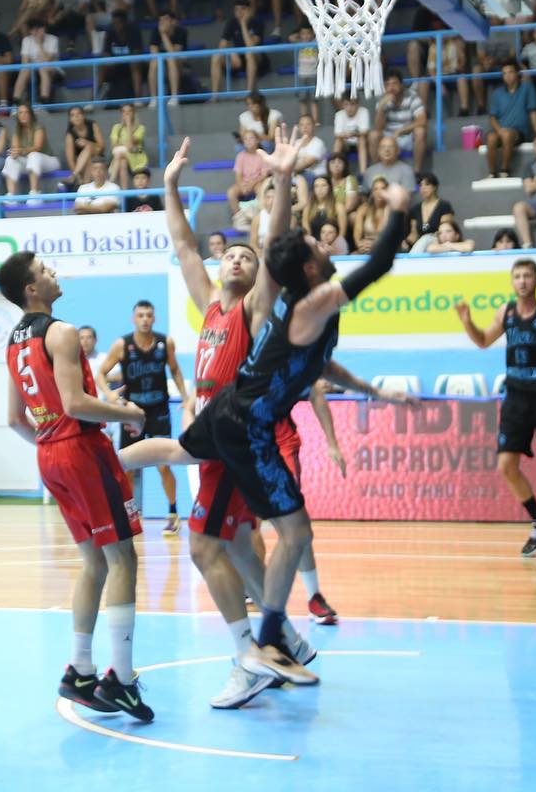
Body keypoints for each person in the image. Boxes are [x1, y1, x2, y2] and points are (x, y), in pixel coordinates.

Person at [117, 169, 415, 687]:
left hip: (233, 412)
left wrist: (374, 391)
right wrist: (400, 209)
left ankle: (276, 639)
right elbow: (376, 263)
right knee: (243, 537)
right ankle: (264, 645)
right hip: (241, 422)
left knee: (230, 529)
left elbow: (318, 361)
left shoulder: (275, 306)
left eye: (247, 257)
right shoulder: (297, 303)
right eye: (315, 245)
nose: (324, 244)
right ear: (308, 267)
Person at [160, 134, 350, 708]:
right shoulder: (210, 305)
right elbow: (184, 245)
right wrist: (169, 185)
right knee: (242, 546)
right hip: (215, 434)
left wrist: (283, 180)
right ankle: (284, 637)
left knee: (204, 549)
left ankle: (251, 656)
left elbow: (273, 245)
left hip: (235, 435)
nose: (238, 259)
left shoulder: (253, 306)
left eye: (246, 257)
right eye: (230, 255)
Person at [0, 251, 154, 723]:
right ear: (31, 289)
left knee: (94, 563)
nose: (54, 273)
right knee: (123, 558)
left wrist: (52, 444)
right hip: (81, 451)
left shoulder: (13, 343)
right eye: (45, 271)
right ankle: (120, 680)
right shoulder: (61, 332)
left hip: (49, 455)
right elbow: (74, 403)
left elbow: (14, 419)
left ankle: (80, 670)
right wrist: (128, 413)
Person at [455, 261, 536, 560]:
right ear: (512, 282)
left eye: (527, 276)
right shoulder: (506, 312)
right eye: (517, 276)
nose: (522, 281)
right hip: (515, 399)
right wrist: (467, 322)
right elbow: (483, 341)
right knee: (506, 466)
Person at [93, 300, 188, 534]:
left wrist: (186, 398)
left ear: (154, 318)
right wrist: (109, 395)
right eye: (140, 315)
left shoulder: (165, 343)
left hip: (159, 411)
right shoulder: (122, 345)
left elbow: (175, 370)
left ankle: (173, 513)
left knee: (164, 466)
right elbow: (101, 374)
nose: (145, 319)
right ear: (133, 319)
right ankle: (129, 515)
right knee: (128, 467)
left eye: (148, 315)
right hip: (133, 412)